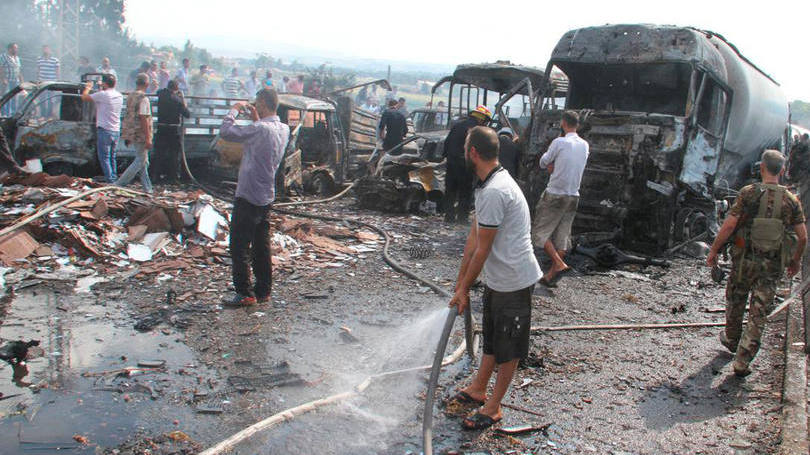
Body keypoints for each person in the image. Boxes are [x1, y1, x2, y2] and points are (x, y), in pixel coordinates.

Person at [449, 126, 542, 430]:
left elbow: (482, 251)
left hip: (514, 279)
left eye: (465, 148)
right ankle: (478, 389)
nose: (464, 153)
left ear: (473, 153)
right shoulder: (487, 185)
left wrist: (464, 288)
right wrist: (460, 285)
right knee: (491, 338)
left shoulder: (495, 190)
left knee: (508, 347)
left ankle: (493, 407)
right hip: (499, 279)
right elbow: (472, 241)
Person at [708, 150, 807, 376]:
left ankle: (732, 339)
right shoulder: (792, 201)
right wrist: (795, 261)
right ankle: (742, 360)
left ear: (761, 167)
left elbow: (729, 226)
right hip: (771, 265)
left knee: (735, 298)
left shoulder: (748, 193)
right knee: (759, 311)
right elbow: (802, 237)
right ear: (782, 171)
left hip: (744, 260)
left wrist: (714, 250)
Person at [221, 88, 289, 306]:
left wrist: (235, 109)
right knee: (261, 245)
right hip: (267, 193)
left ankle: (245, 292)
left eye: (257, 102)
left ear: (262, 103)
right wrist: (256, 119)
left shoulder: (259, 128)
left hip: (249, 192)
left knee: (239, 245)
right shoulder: (284, 129)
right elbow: (262, 136)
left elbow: (226, 132)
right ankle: (263, 291)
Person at [532, 111, 589, 286]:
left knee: (539, 233)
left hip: (555, 193)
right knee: (562, 235)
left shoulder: (559, 142)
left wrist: (551, 164)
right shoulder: (585, 145)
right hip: (574, 195)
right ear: (577, 125)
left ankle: (558, 263)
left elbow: (543, 162)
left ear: (563, 123)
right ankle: (551, 276)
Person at [443, 105, 491, 223]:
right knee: (465, 192)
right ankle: (462, 218)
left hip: (451, 163)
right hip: (465, 165)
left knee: (451, 190)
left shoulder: (457, 125)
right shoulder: (478, 131)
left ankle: (448, 217)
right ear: (482, 119)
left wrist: (447, 157)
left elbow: (447, 142)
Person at [81, 73, 123, 182]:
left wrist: (88, 88)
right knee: (112, 156)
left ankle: (110, 180)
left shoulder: (103, 95)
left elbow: (84, 97)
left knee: (104, 157)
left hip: (105, 130)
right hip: (115, 130)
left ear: (104, 83)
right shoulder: (119, 95)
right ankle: (114, 178)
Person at [115, 73, 153, 193]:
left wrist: (128, 135)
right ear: (146, 84)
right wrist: (148, 138)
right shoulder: (143, 99)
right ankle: (119, 183)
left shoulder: (130, 96)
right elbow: (144, 118)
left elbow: (129, 116)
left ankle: (148, 189)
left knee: (143, 162)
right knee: (140, 161)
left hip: (133, 132)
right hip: (141, 133)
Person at [153, 79, 190, 183]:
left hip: (161, 127)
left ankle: (156, 176)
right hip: (173, 129)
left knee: (159, 153)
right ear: (176, 88)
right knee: (174, 154)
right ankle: (173, 177)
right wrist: (182, 98)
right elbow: (187, 114)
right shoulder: (177, 100)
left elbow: (158, 91)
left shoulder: (161, 94)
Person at [1, 43, 23, 116]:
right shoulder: (3, 56)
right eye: (14, 48)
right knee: (6, 97)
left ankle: (13, 114)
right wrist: (3, 79)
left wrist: (21, 81)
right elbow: (1, 68)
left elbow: (18, 70)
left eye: (16, 48)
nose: (16, 50)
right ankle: (5, 114)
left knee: (15, 98)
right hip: (7, 81)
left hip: (15, 81)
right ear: (10, 49)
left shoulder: (17, 58)